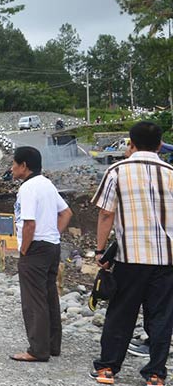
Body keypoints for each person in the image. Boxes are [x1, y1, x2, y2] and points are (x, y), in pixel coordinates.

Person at [89, 121, 173, 386]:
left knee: (121, 314)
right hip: (166, 261)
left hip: (130, 258)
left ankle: (108, 370)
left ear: (131, 143)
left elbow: (105, 213)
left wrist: (100, 250)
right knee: (160, 317)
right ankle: (156, 375)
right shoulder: (171, 172)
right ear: (160, 145)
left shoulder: (117, 171)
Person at [9, 146, 73, 363]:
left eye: (14, 164)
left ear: (24, 166)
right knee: (49, 296)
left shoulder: (28, 188)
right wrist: (53, 233)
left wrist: (24, 250)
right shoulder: (47, 184)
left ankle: (37, 349)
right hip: (51, 246)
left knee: (33, 300)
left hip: (35, 248)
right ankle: (53, 345)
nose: (12, 168)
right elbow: (66, 212)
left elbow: (29, 224)